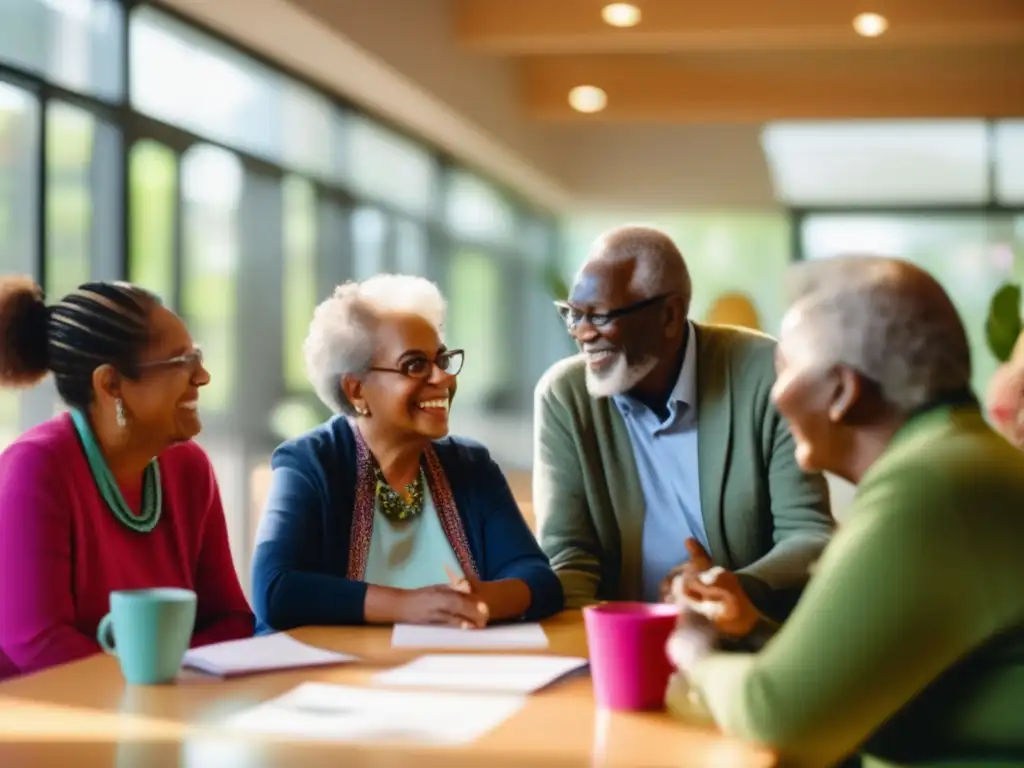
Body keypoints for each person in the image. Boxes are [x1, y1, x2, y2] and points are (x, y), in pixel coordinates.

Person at [667, 256, 1024, 767]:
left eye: (784, 370)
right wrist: (751, 630)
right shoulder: (959, 458)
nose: (773, 395)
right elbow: (879, 681)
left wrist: (694, 652)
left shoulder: (931, 485)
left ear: (841, 391)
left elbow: (779, 715)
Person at [534, 225, 833, 624]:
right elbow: (568, 556)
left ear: (670, 315)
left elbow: (809, 534)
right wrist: (584, 648)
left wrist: (728, 589)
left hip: (748, 634)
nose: (583, 333)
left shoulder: (766, 372)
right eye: (574, 314)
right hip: (622, 640)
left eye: (600, 316)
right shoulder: (564, 395)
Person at [251, 275, 563, 631]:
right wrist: (410, 605)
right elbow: (277, 590)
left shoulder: (471, 466)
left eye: (441, 360)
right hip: (335, 679)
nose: (443, 378)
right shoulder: (309, 463)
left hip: (452, 673)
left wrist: (480, 600)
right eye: (415, 365)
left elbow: (539, 578)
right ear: (356, 390)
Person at [0, 278, 254, 681]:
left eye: (197, 357)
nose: (202, 376)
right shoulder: (34, 469)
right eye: (181, 362)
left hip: (161, 711)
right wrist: (156, 680)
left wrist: (172, 682)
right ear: (111, 384)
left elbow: (230, 618)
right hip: (46, 718)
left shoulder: (189, 468)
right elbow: (36, 641)